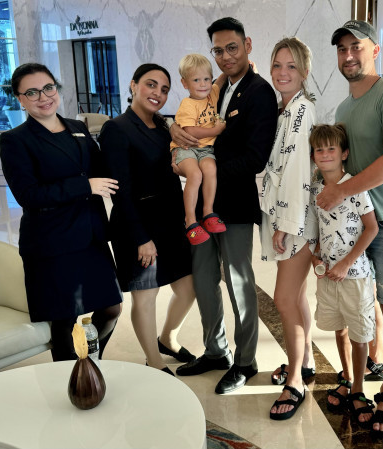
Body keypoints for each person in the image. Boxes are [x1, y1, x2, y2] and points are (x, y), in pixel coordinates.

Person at [318, 20, 383, 437]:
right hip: (351, 226)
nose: (348, 55)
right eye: (341, 49)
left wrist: (342, 192)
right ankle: (360, 372)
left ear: (375, 50)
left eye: (356, 47)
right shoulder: (344, 109)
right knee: (359, 301)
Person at [170, 17, 277, 395]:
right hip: (203, 207)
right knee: (203, 278)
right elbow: (190, 121)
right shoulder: (217, 87)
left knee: (238, 281)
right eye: (218, 50)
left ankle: (246, 361)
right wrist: (175, 131)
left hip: (233, 205)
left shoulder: (259, 92)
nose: (226, 56)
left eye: (232, 47)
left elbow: (255, 159)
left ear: (247, 45)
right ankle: (216, 350)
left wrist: (205, 169)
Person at [0, 62, 122, 361]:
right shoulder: (15, 140)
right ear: (20, 99)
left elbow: (102, 167)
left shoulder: (77, 128)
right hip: (53, 241)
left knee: (111, 308)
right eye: (32, 92)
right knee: (65, 319)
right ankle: (70, 376)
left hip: (90, 235)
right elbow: (28, 195)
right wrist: (85, 186)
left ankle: (89, 364)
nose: (43, 96)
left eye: (48, 87)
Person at [98, 63, 197, 375]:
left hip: (171, 222)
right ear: (133, 85)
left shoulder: (164, 126)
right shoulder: (117, 129)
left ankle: (167, 339)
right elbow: (120, 191)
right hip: (137, 224)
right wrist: (141, 238)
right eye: (151, 84)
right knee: (146, 298)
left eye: (164, 89)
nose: (158, 93)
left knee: (189, 288)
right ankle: (154, 362)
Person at [260, 37, 318, 420]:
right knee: (296, 297)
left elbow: (298, 173)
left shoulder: (301, 112)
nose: (283, 72)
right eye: (278, 65)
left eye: (291, 66)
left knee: (283, 299)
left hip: (296, 221)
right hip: (289, 218)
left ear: (304, 71)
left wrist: (285, 224)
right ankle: (306, 361)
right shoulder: (285, 109)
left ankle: (295, 380)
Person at [309, 123, 379, 426]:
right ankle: (347, 377)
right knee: (338, 327)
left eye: (331, 149)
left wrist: (346, 263)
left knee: (359, 333)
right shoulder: (314, 189)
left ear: (344, 154)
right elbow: (318, 230)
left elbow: (371, 228)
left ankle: (359, 389)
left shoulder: (355, 187)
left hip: (355, 275)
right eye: (319, 150)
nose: (325, 154)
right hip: (328, 275)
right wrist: (315, 256)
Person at [171, 54, 228, 245]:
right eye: (196, 80)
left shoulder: (212, 93)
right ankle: (190, 220)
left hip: (205, 150)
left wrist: (231, 70)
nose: (203, 84)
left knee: (211, 169)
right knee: (195, 175)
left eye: (206, 79)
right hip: (186, 148)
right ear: (184, 83)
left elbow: (220, 81)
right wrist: (216, 130)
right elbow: (190, 131)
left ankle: (208, 213)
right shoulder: (187, 104)